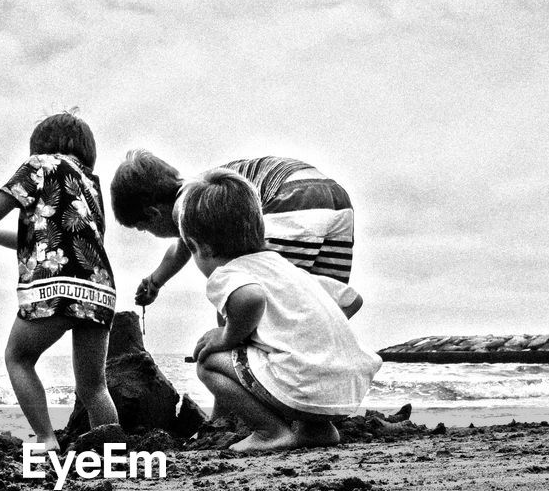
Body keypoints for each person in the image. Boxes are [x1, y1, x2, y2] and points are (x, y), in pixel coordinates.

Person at [0, 112, 118, 453]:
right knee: (94, 386)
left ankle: (47, 438)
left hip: (54, 285)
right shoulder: (88, 185)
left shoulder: (39, 165)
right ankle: (111, 450)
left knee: (18, 357)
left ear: (40, 145)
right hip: (99, 289)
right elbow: (33, 238)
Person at [182, 169, 381, 453]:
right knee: (274, 358)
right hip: (346, 390)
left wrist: (226, 337)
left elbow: (249, 298)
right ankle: (319, 430)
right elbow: (352, 299)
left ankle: (270, 431)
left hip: (301, 390)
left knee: (209, 360)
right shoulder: (286, 268)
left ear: (198, 247)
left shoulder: (228, 272)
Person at [110, 151, 363, 317]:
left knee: (252, 299)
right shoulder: (198, 190)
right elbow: (180, 249)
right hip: (335, 196)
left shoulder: (193, 202)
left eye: (143, 228)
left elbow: (185, 249)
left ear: (154, 213)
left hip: (290, 197)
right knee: (325, 305)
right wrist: (154, 282)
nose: (149, 233)